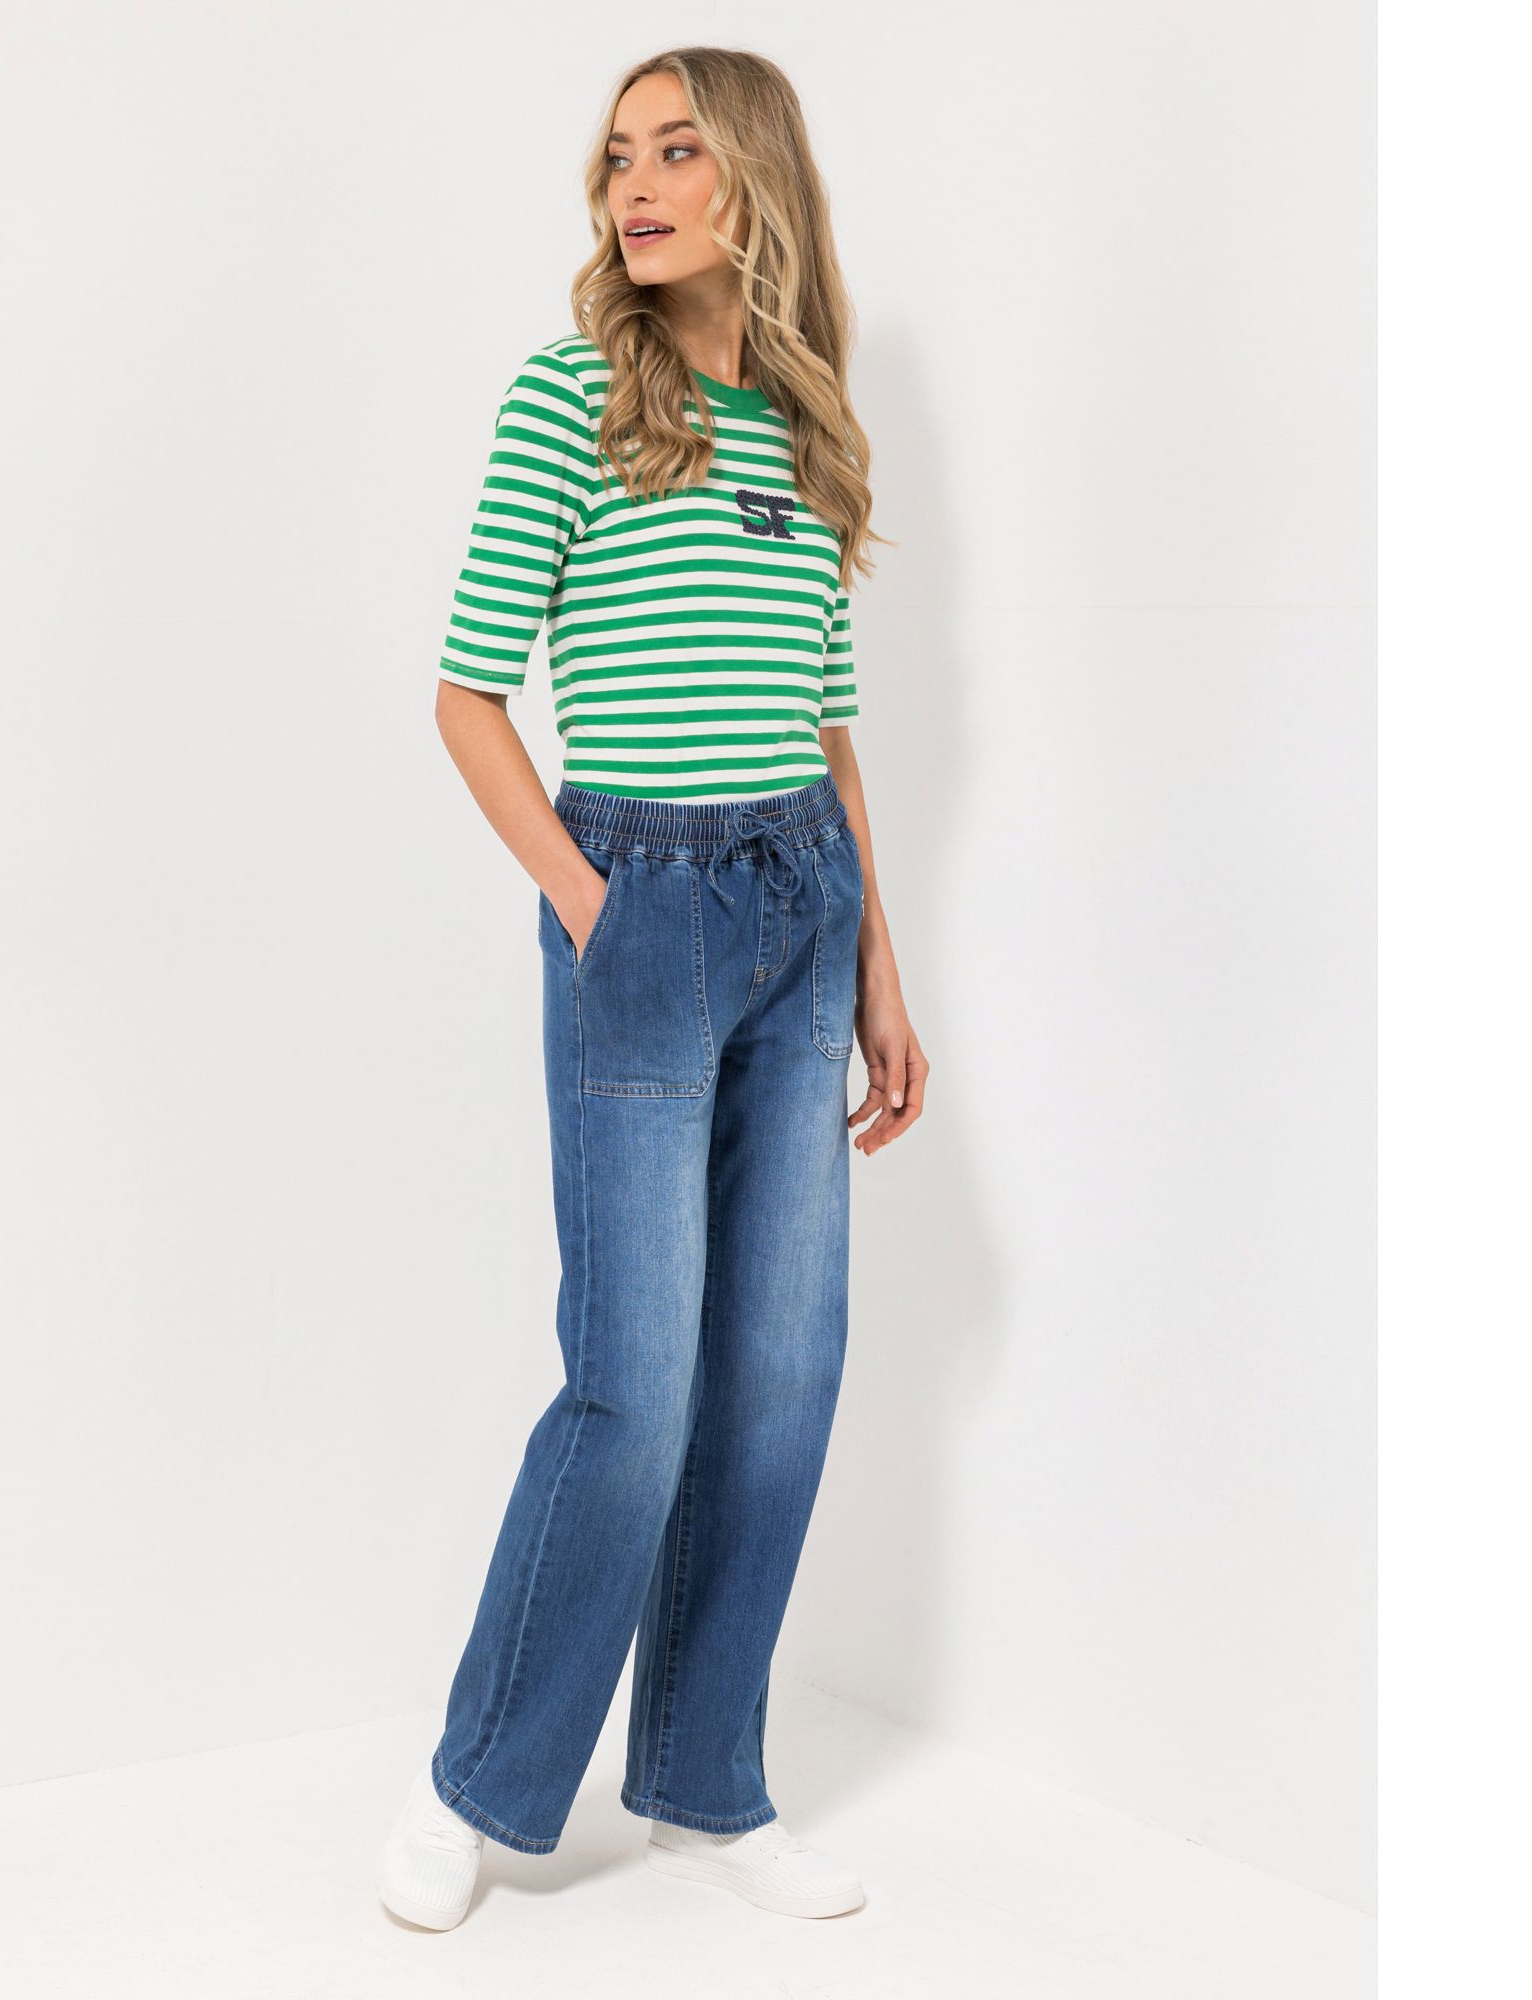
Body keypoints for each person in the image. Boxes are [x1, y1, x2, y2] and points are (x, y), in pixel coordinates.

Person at [377, 45, 929, 1931]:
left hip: (802, 903)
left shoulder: (809, 422)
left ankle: (706, 1783)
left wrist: (879, 962)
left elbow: (827, 720)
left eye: (679, 149)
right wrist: (591, 907)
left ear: (753, 178)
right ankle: (476, 1786)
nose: (637, 183)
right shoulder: (571, 400)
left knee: (779, 1378)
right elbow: (468, 697)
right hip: (642, 904)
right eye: (619, 154)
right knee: (634, 1389)